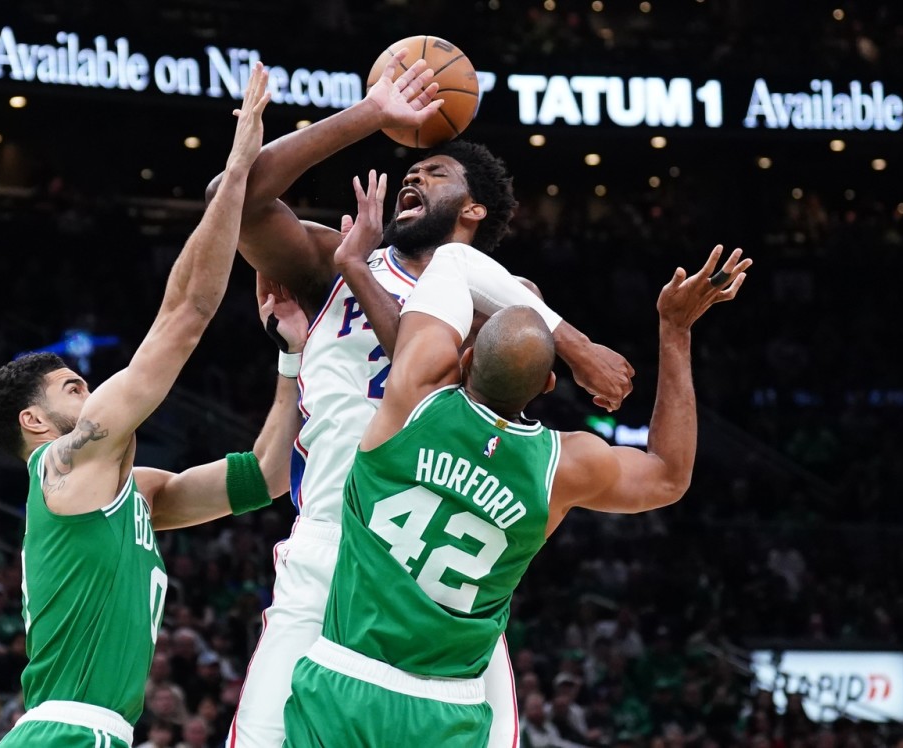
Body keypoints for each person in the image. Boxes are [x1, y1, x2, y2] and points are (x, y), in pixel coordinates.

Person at [216, 53, 634, 748]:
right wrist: (371, 115)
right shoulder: (339, 261)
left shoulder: (507, 313)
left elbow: (447, 386)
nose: (414, 174)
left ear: (475, 209)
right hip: (330, 533)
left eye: (435, 174)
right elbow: (236, 200)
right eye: (413, 169)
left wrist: (570, 338)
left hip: (431, 567)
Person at [279, 182, 751, 746]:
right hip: (447, 708)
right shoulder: (562, 467)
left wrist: (571, 341)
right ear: (548, 384)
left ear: (467, 357)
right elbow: (669, 476)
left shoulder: (409, 398)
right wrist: (675, 331)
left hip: (345, 677)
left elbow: (455, 260)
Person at [0, 64, 305, 748]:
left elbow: (271, 475)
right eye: (72, 388)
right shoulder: (64, 466)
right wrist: (239, 167)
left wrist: (291, 357)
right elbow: (184, 313)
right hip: (66, 733)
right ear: (34, 423)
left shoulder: (136, 494)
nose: (91, 393)